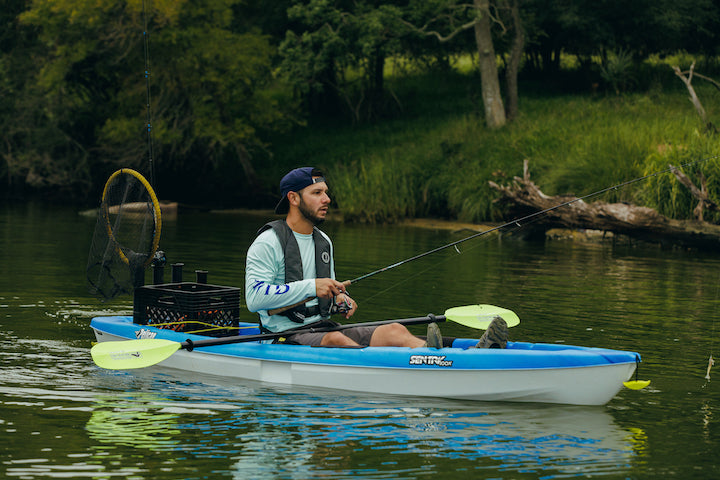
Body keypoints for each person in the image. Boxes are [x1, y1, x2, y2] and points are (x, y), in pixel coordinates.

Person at [244, 166, 508, 349]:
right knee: (337, 341)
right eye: (317, 193)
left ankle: (452, 355)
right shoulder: (268, 242)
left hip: (323, 328)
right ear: (293, 198)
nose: (327, 198)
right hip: (282, 337)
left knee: (394, 330)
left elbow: (327, 292)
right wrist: (313, 286)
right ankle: (393, 366)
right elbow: (254, 299)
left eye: (325, 192)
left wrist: (339, 298)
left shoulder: (323, 242)